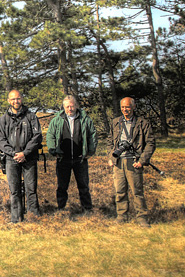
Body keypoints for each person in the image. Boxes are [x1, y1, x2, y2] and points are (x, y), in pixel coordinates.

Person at [107, 97, 155, 228]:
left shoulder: (142, 123)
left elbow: (150, 143)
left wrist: (142, 160)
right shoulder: (116, 122)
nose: (125, 110)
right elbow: (110, 141)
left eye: (127, 107)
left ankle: (142, 217)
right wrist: (111, 157)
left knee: (137, 191)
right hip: (118, 161)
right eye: (122, 107)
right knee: (120, 191)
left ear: (134, 107)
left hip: (134, 161)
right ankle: (122, 216)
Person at [0, 89, 42, 223]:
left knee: (31, 189)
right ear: (8, 101)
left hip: (29, 158)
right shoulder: (3, 119)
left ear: (22, 99)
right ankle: (16, 219)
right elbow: (0, 140)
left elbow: (37, 136)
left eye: (18, 98)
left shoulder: (31, 116)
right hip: (11, 159)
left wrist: (25, 153)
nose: (16, 101)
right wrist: (13, 153)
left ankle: (33, 218)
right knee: (14, 190)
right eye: (13, 99)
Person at [46, 95, 97, 212]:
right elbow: (50, 135)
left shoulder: (85, 119)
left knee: (84, 186)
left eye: (72, 106)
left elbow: (92, 135)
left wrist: (90, 151)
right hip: (63, 158)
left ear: (77, 106)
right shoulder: (57, 120)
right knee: (62, 186)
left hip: (80, 159)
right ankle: (61, 208)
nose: (70, 109)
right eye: (67, 106)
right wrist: (53, 150)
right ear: (63, 107)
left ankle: (87, 209)